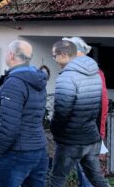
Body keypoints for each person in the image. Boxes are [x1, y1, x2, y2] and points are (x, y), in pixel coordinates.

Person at [49, 40, 108, 187]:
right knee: (97, 180)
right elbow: (98, 106)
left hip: (70, 140)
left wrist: (54, 130)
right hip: (91, 137)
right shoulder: (95, 74)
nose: (54, 60)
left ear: (63, 55)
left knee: (57, 179)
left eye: (54, 56)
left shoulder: (66, 77)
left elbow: (62, 112)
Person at [0, 40, 48, 186]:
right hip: (38, 149)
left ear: (11, 55)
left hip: (16, 152)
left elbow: (9, 126)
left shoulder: (14, 83)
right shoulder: (37, 79)